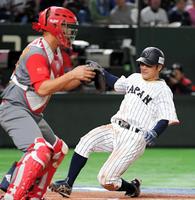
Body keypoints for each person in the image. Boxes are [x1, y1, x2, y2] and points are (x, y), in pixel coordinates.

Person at [50, 47, 179, 198]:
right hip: (115, 127)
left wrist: (155, 132)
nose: (144, 67)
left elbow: (165, 117)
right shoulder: (135, 78)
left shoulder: (163, 90)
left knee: (106, 179)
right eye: (142, 63)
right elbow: (116, 83)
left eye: (148, 65)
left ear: (159, 67)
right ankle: (68, 183)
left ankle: (132, 188)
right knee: (85, 141)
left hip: (134, 138)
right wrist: (102, 72)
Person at [0, 6, 95, 200]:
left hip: (31, 111)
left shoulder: (56, 52)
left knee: (59, 149)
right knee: (40, 150)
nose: (70, 33)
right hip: (14, 106)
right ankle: (12, 195)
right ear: (55, 26)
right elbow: (43, 88)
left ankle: (35, 195)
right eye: (67, 27)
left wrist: (83, 77)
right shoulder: (37, 52)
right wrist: (73, 73)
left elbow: (58, 85)